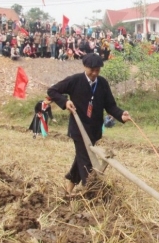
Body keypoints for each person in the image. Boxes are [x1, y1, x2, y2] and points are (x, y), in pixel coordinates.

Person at [48, 53, 131, 195]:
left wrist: (121, 115)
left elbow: (110, 105)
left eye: (97, 70)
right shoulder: (75, 80)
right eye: (91, 70)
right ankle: (92, 192)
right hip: (78, 129)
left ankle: (68, 191)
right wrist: (65, 101)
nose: (94, 73)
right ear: (85, 67)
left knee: (81, 158)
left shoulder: (102, 83)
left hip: (94, 130)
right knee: (87, 161)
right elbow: (52, 90)